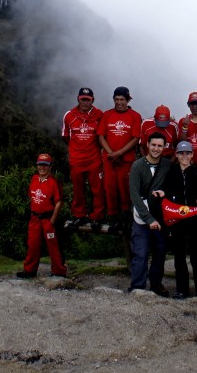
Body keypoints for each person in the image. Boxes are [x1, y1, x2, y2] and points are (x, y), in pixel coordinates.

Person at [128, 132, 175, 295]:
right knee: (140, 253)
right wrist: (148, 219)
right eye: (153, 145)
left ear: (164, 147)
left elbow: (174, 187)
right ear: (147, 145)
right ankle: (137, 286)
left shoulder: (168, 165)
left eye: (160, 146)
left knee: (160, 252)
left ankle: (156, 284)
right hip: (141, 216)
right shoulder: (137, 166)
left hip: (161, 217)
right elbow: (134, 195)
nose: (156, 149)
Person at [165, 140, 197, 299]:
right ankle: (182, 289)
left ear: (192, 155)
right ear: (176, 155)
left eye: (188, 153)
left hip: (195, 220)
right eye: (181, 153)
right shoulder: (171, 172)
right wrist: (168, 221)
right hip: (178, 220)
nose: (184, 156)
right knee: (179, 256)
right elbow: (167, 197)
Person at [98, 86, 143, 232]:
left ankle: (126, 219)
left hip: (126, 160)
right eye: (116, 99)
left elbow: (135, 138)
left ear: (128, 100)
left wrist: (119, 153)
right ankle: (114, 219)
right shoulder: (107, 115)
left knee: (125, 189)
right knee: (110, 188)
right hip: (109, 160)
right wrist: (112, 153)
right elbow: (101, 136)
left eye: (122, 99)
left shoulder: (135, 116)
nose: (119, 102)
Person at [17, 153, 67, 279]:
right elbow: (32, 197)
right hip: (35, 219)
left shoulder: (54, 183)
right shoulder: (34, 179)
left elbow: (59, 202)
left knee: (53, 246)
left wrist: (52, 221)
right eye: (40, 165)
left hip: (47, 219)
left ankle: (59, 271)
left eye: (45, 165)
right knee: (32, 245)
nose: (42, 168)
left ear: (50, 167)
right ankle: (29, 271)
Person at [60, 87, 105, 227]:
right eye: (83, 100)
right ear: (78, 99)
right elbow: (66, 137)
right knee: (78, 189)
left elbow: (103, 136)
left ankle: (97, 217)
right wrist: (77, 149)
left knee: (97, 190)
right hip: (76, 160)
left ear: (93, 100)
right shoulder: (69, 115)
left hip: (94, 159)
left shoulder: (99, 115)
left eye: (88, 100)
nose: (85, 103)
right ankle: (79, 215)